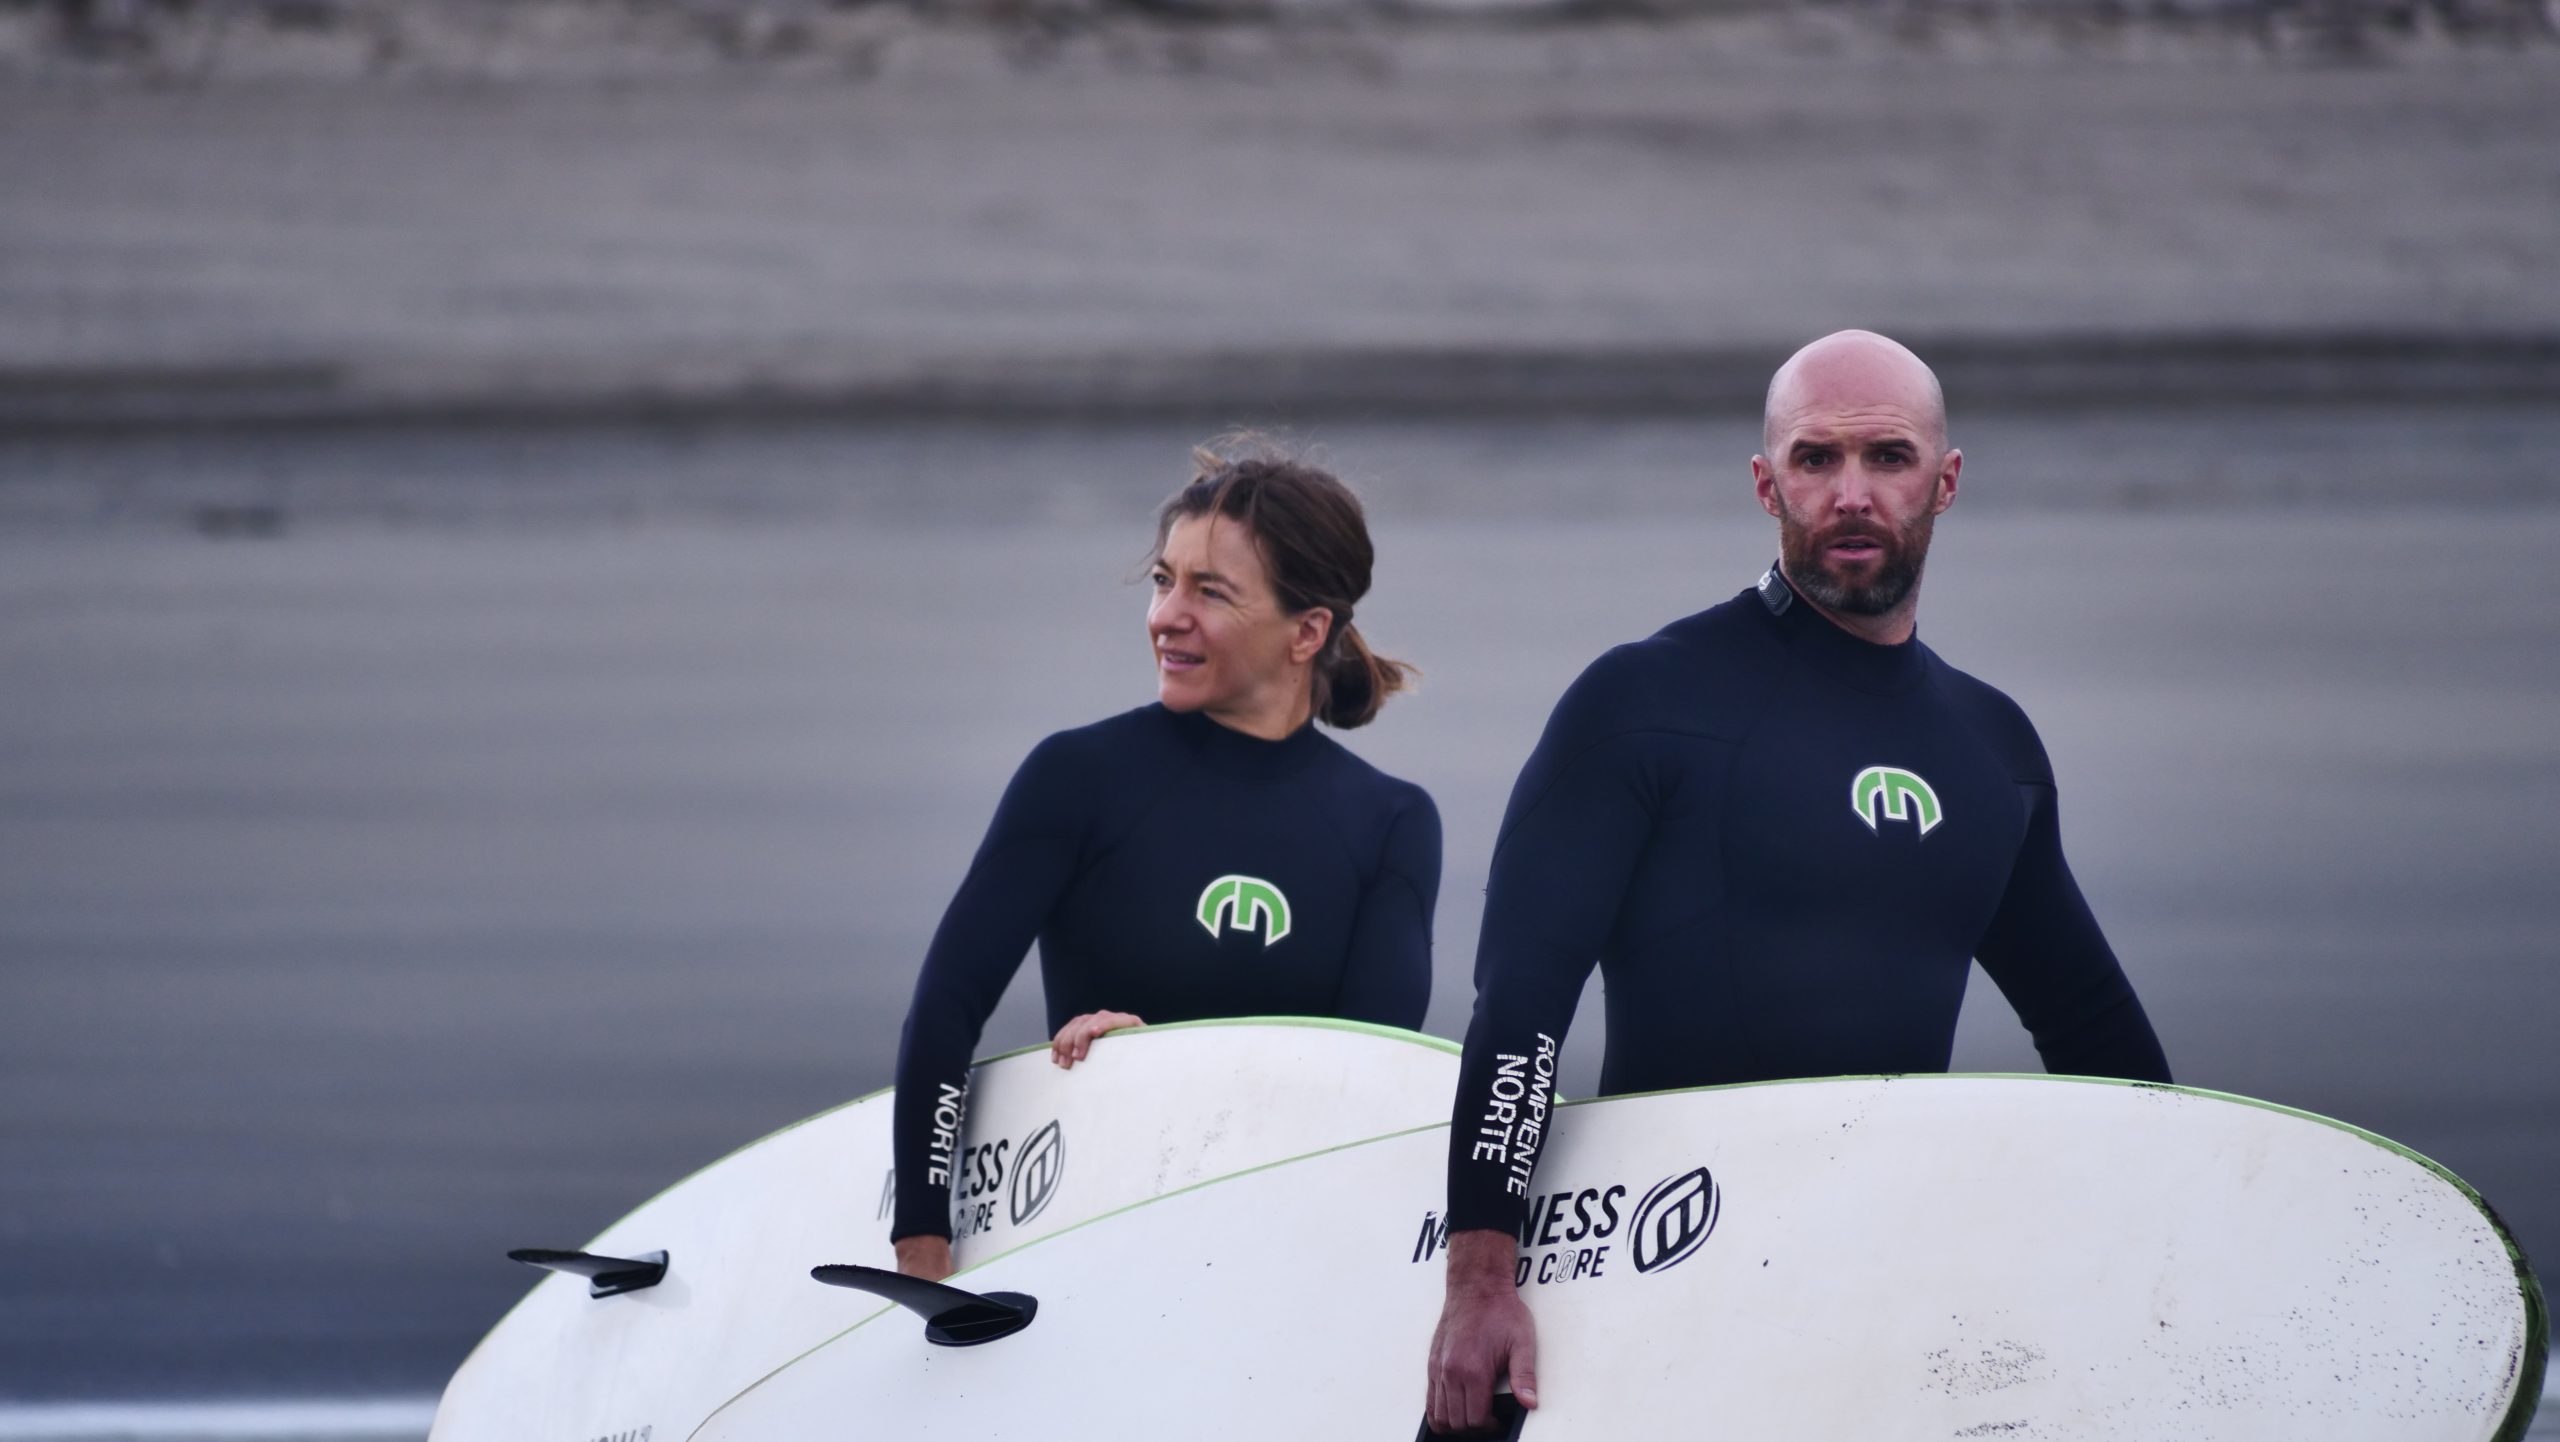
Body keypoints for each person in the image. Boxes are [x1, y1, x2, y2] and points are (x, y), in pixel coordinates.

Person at [1422, 331, 2172, 1434]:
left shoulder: (1989, 749)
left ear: (1945, 480)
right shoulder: (1644, 702)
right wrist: (1481, 1276)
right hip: (1665, 1263)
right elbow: (1522, 1005)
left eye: (1888, 457)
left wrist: (2178, 1245)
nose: (1852, 492)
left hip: (1878, 1296)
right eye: (1816, 459)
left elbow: (2097, 1037)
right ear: (1765, 481)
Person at [889, 444, 1443, 1282]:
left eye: (1209, 591)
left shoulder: (1390, 823)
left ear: (1308, 632)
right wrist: (924, 1246)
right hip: (1096, 1231)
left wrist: (1168, 1065)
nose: (1165, 616)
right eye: (1162, 580)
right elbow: (945, 1011)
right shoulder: (1078, 778)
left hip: (1284, 1250)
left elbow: (1365, 1082)